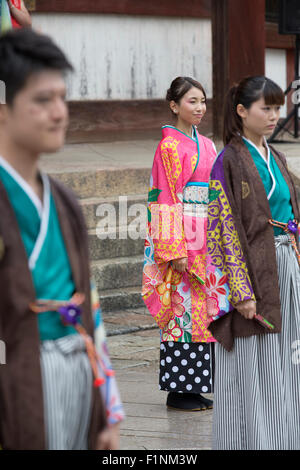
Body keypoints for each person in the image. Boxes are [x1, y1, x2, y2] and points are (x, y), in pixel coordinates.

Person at [0, 28, 124, 450]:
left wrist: (108, 404)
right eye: (42, 100)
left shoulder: (65, 201)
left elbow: (90, 303)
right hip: (17, 379)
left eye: (62, 98)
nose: (59, 113)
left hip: (76, 370)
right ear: (3, 108)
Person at [207, 76, 300, 450]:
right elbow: (221, 229)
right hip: (252, 274)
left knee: (287, 357)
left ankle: (286, 434)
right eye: (267, 108)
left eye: (278, 108)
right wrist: (240, 290)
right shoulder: (228, 160)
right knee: (254, 360)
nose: (275, 115)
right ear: (242, 112)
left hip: (285, 264)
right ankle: (252, 439)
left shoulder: (275, 155)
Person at [142, 77, 217, 411]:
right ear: (174, 105)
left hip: (207, 236)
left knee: (202, 312)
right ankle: (177, 390)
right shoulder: (168, 147)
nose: (199, 108)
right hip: (184, 238)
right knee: (180, 312)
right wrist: (174, 249)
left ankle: (195, 385)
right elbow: (165, 199)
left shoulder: (209, 145)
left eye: (202, 101)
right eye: (192, 101)